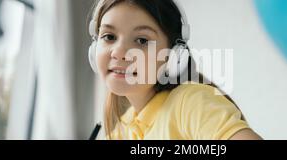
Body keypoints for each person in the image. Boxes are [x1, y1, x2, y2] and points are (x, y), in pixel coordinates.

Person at [88, 0, 262, 140]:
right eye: (109, 37)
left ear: (173, 56)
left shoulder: (190, 103)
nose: (118, 52)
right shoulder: (121, 131)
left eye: (141, 40)